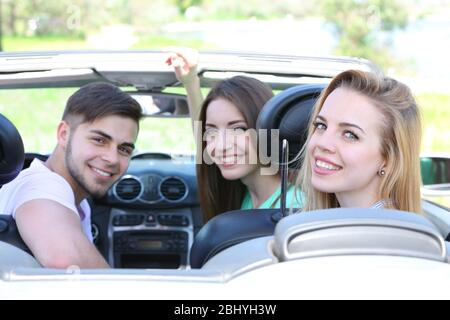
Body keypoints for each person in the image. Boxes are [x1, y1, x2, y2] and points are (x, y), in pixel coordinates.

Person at [0, 83, 143, 268]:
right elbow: (66, 262)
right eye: (99, 140)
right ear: (64, 134)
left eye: (124, 149)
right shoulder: (43, 186)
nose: (112, 158)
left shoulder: (79, 200)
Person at [166, 48, 301, 222]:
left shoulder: (293, 208)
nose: (221, 145)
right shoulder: (248, 196)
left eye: (238, 129)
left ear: (268, 129)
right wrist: (191, 82)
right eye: (212, 131)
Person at [295, 69, 422, 213]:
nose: (323, 143)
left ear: (388, 158)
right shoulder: (342, 224)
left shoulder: (381, 233)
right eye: (321, 125)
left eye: (350, 135)